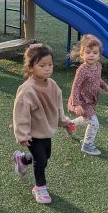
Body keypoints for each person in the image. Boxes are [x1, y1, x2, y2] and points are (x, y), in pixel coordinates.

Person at [11, 43, 75, 204]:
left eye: (50, 65)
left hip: (46, 130)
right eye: (42, 65)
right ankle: (39, 187)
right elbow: (20, 113)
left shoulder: (53, 86)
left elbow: (57, 108)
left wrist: (65, 122)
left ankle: (22, 159)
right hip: (32, 132)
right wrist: (22, 134)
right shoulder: (27, 90)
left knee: (45, 156)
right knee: (41, 161)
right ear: (31, 67)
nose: (48, 69)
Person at [68, 34, 108, 156]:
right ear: (82, 54)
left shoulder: (98, 66)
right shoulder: (82, 70)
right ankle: (87, 145)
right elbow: (75, 87)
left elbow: (98, 79)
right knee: (94, 123)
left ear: (99, 55)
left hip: (90, 100)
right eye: (88, 52)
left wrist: (106, 87)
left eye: (95, 52)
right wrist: (76, 104)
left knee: (85, 119)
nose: (91, 55)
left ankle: (70, 124)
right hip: (82, 101)